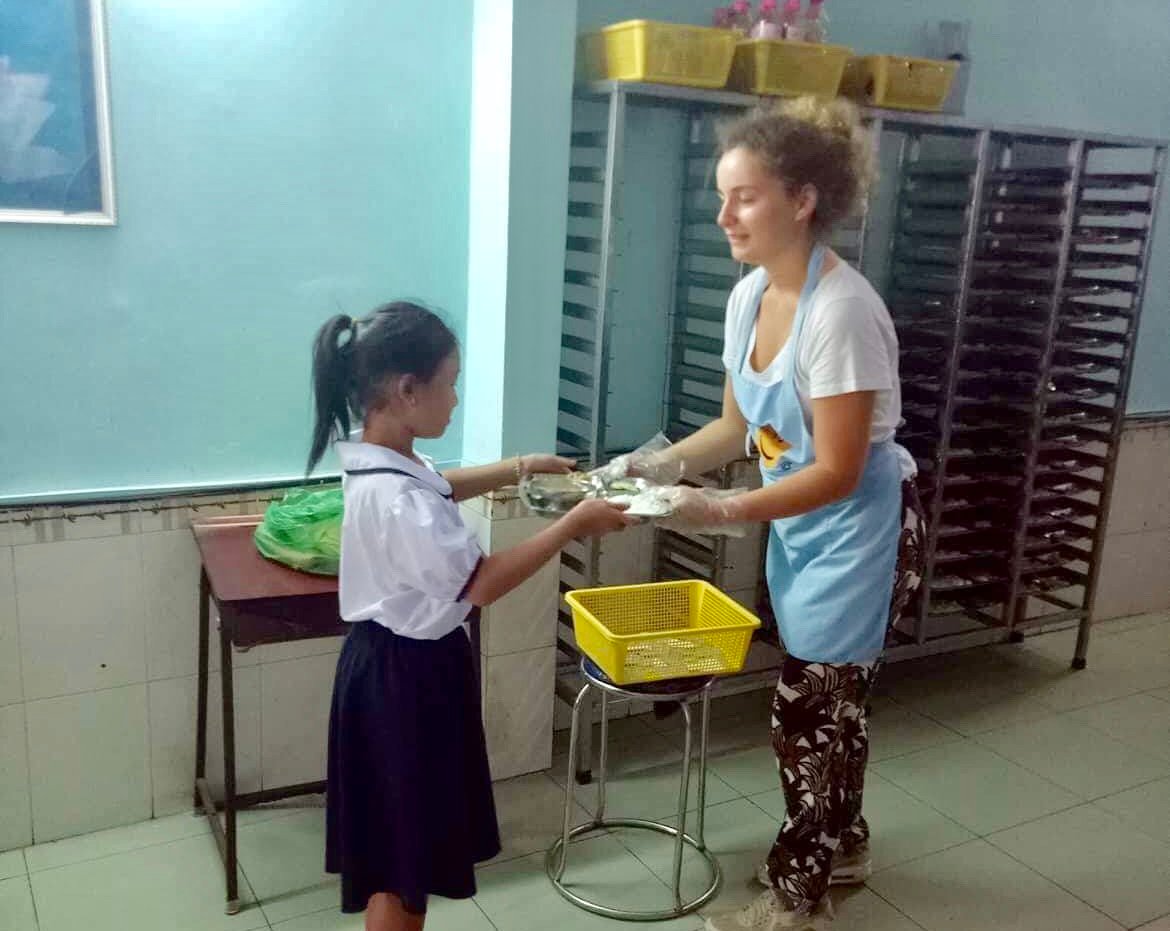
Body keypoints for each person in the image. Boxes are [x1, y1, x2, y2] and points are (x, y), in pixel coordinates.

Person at [609, 98, 925, 931]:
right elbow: (735, 426)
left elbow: (839, 468)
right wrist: (655, 465)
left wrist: (721, 505)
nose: (724, 217)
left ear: (803, 200)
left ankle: (795, 898)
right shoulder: (750, 296)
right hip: (804, 531)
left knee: (806, 718)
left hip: (861, 535)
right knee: (835, 706)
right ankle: (845, 843)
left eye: (744, 197)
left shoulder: (841, 312)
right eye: (723, 197)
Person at [306, 302, 632, 931]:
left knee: (401, 854)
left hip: (399, 670)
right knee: (403, 865)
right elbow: (480, 585)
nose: (455, 400)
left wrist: (519, 468)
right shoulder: (395, 498)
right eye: (450, 384)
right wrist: (572, 524)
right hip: (404, 684)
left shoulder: (388, 460)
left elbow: (442, 486)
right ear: (408, 390)